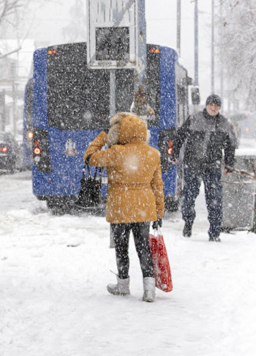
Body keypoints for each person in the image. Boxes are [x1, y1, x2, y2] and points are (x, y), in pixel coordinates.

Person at [85, 112, 164, 303]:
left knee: (122, 247)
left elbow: (89, 157)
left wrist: (103, 136)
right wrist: (159, 212)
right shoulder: (153, 154)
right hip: (144, 207)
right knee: (143, 247)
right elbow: (158, 186)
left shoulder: (116, 152)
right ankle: (149, 289)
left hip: (120, 206)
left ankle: (122, 284)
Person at [174, 94, 237, 241]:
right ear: (206, 105)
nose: (213, 108)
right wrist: (174, 154)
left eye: (216, 105)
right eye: (211, 105)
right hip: (192, 164)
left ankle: (215, 232)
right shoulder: (194, 119)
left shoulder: (224, 124)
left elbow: (230, 146)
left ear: (219, 108)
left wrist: (229, 164)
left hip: (212, 166)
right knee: (189, 196)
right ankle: (188, 223)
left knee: (214, 199)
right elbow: (180, 136)